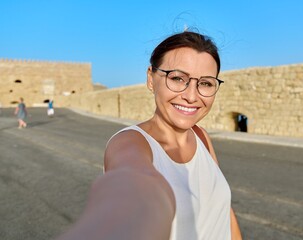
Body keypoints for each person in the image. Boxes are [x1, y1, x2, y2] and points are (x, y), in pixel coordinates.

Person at [57, 31, 242, 240]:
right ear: (151, 78)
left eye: (206, 83)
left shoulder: (201, 137)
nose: (192, 96)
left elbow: (224, 213)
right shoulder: (130, 142)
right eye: (178, 78)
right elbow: (133, 186)